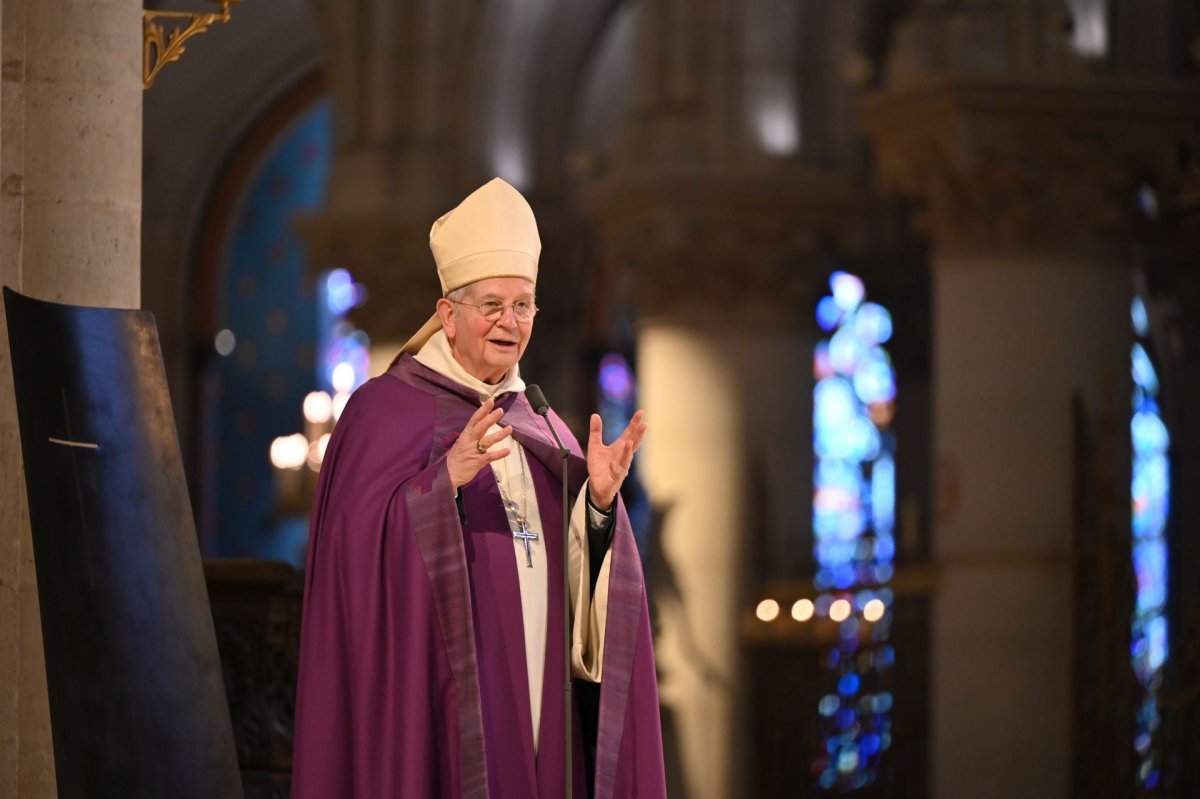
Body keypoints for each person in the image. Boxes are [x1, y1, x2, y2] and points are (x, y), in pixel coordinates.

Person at [291, 178, 666, 798]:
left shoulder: (541, 420)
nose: (509, 323)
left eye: (523, 306)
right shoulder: (381, 411)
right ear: (447, 314)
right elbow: (349, 566)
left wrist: (598, 508)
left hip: (543, 691)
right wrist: (443, 486)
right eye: (491, 305)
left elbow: (587, 596)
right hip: (441, 699)